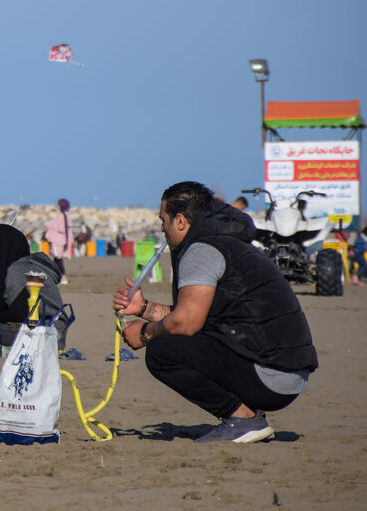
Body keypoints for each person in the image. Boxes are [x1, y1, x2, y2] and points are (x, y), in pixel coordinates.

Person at [112, 181, 318, 444]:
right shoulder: (223, 241)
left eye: (163, 219)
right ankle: (244, 417)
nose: (162, 228)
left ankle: (242, 419)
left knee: (161, 351)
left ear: (180, 221)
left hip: (272, 375)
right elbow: (196, 316)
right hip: (286, 370)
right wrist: (143, 309)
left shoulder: (202, 249)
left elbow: (187, 322)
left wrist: (145, 333)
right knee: (172, 337)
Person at [0, 224, 67, 346]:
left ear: (1, 249)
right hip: (55, 333)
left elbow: (20, 314)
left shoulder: (17, 270)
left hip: (42, 337)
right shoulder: (30, 265)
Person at [45, 198, 73, 284]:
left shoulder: (62, 216)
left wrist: (51, 233)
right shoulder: (64, 215)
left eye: (58, 204)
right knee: (57, 259)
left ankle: (63, 276)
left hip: (58, 241)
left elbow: (61, 229)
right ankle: (58, 276)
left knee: (58, 259)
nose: (57, 206)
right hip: (59, 241)